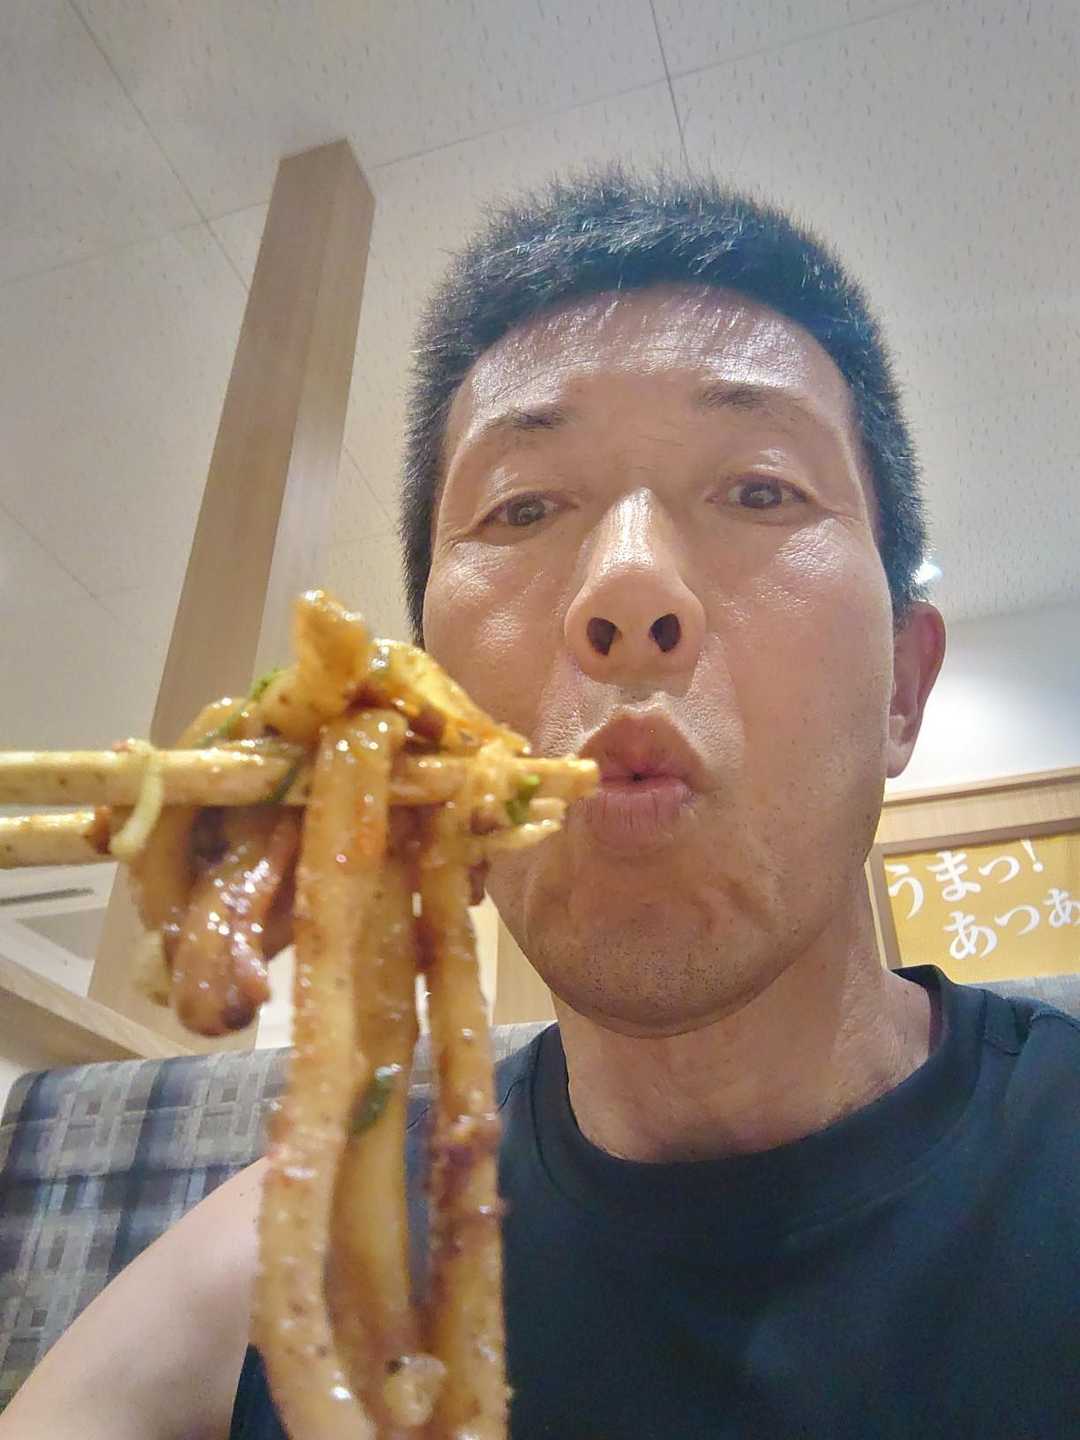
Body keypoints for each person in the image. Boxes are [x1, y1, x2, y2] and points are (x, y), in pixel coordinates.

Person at [4, 171, 1078, 1440]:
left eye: (760, 489)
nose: (628, 589)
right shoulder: (290, 1271)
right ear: (427, 712)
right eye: (523, 507)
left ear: (902, 686)